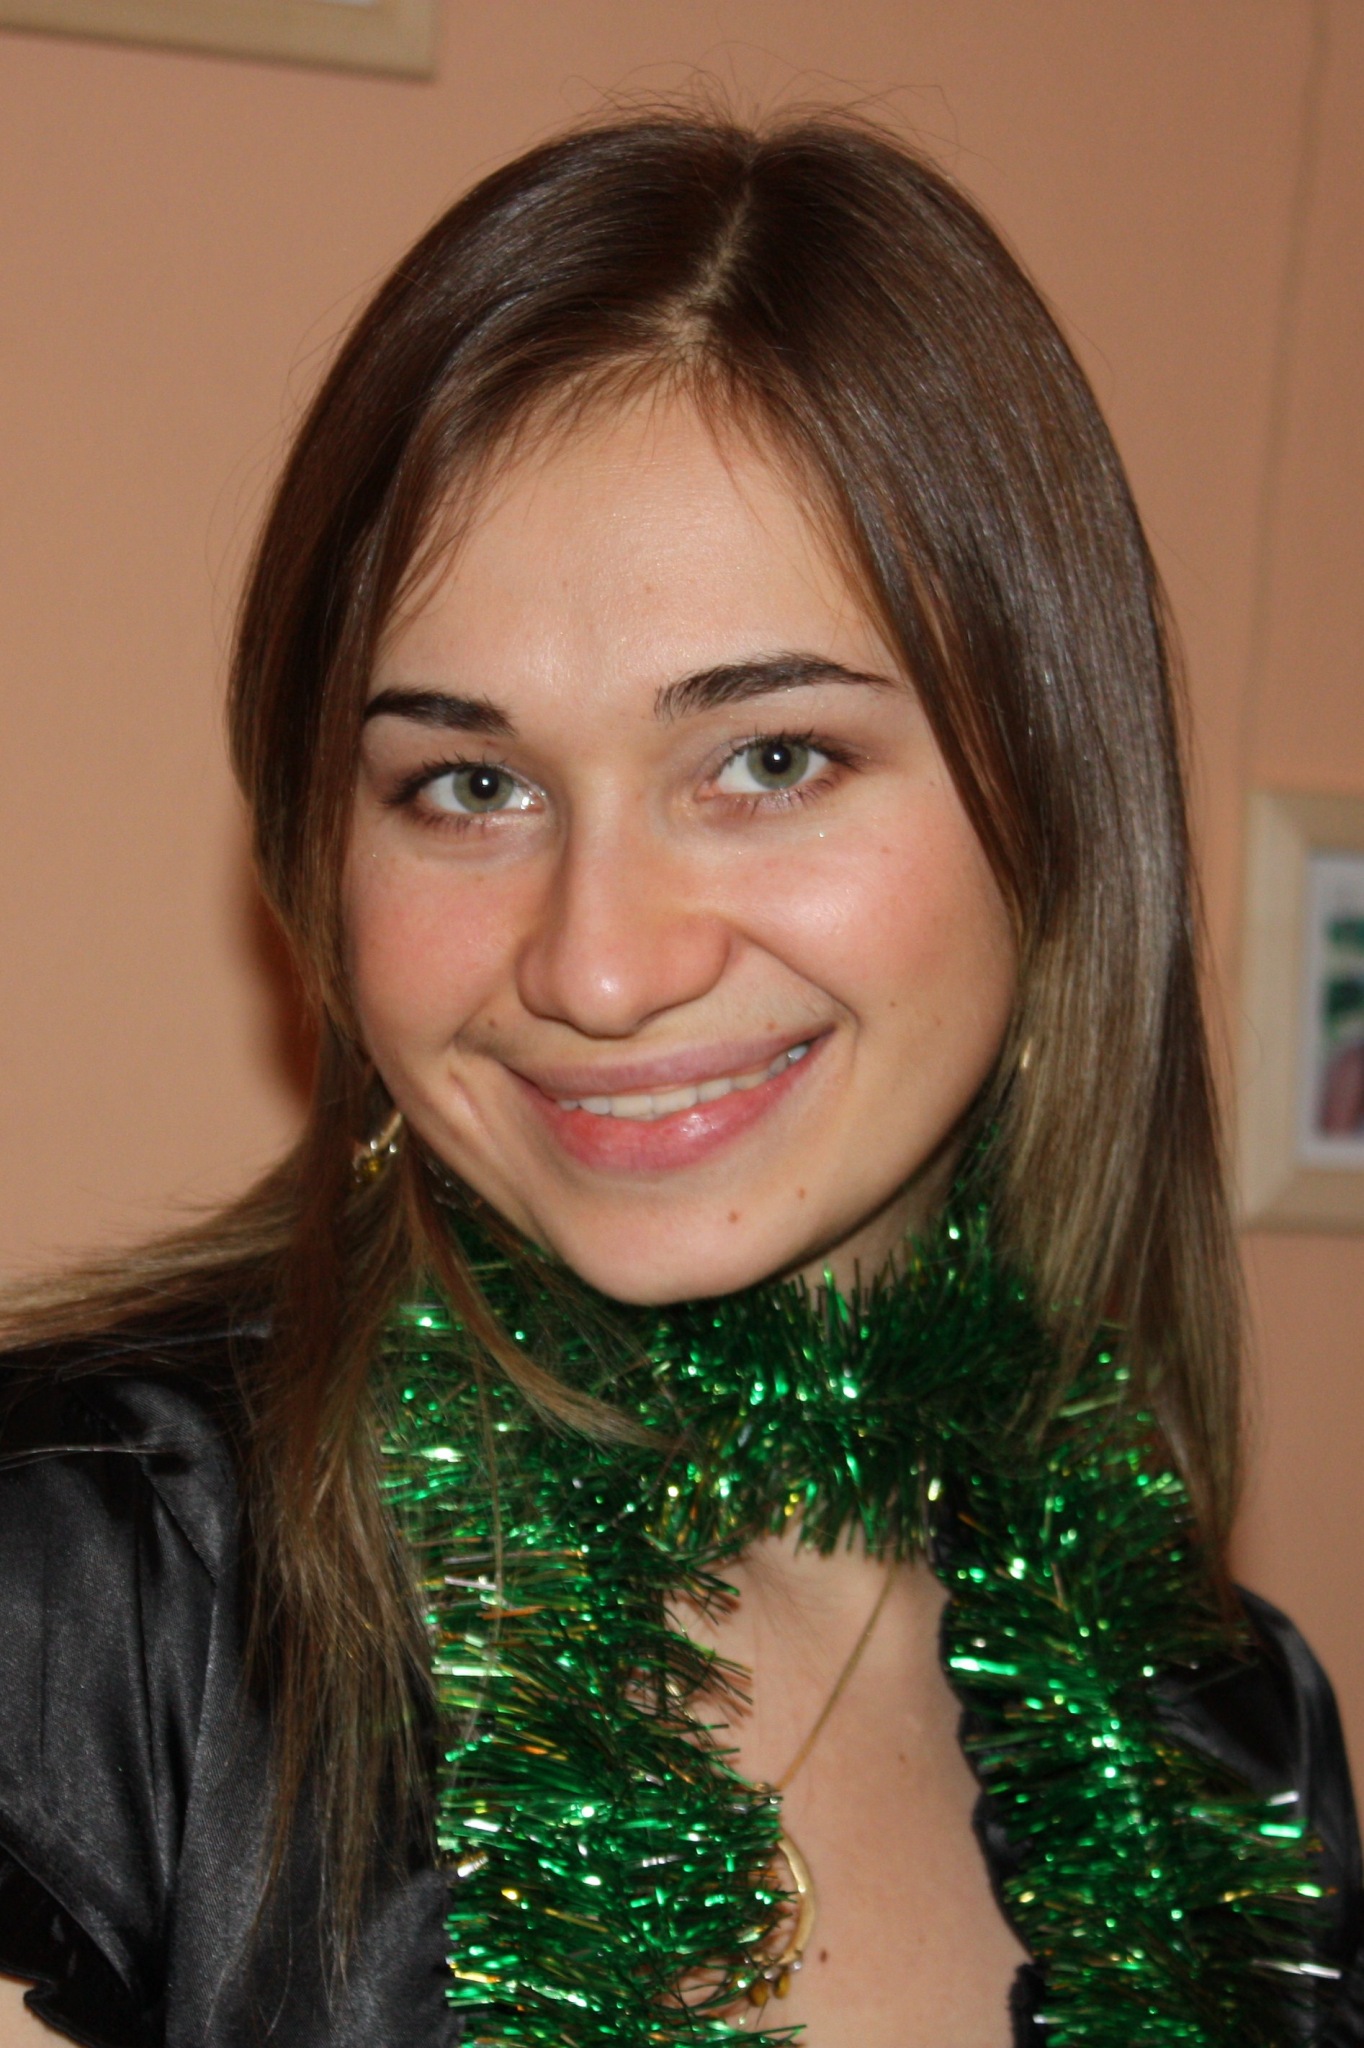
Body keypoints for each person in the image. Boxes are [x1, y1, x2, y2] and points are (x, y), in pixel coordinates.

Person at [0, 107, 1360, 2048]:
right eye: (469, 784)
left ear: (1055, 803)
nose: (599, 962)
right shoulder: (77, 1600)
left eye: (769, 761)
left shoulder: (1230, 1740)